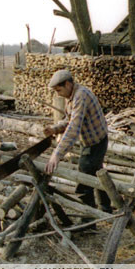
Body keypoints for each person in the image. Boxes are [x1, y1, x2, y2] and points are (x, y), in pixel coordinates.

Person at [44, 69, 111, 213]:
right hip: (92, 140)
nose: (57, 94)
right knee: (98, 174)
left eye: (58, 89)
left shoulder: (81, 96)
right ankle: (105, 209)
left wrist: (57, 153)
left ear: (68, 84)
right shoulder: (72, 96)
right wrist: (55, 129)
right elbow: (69, 120)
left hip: (95, 142)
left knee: (84, 180)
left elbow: (74, 127)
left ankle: (87, 217)